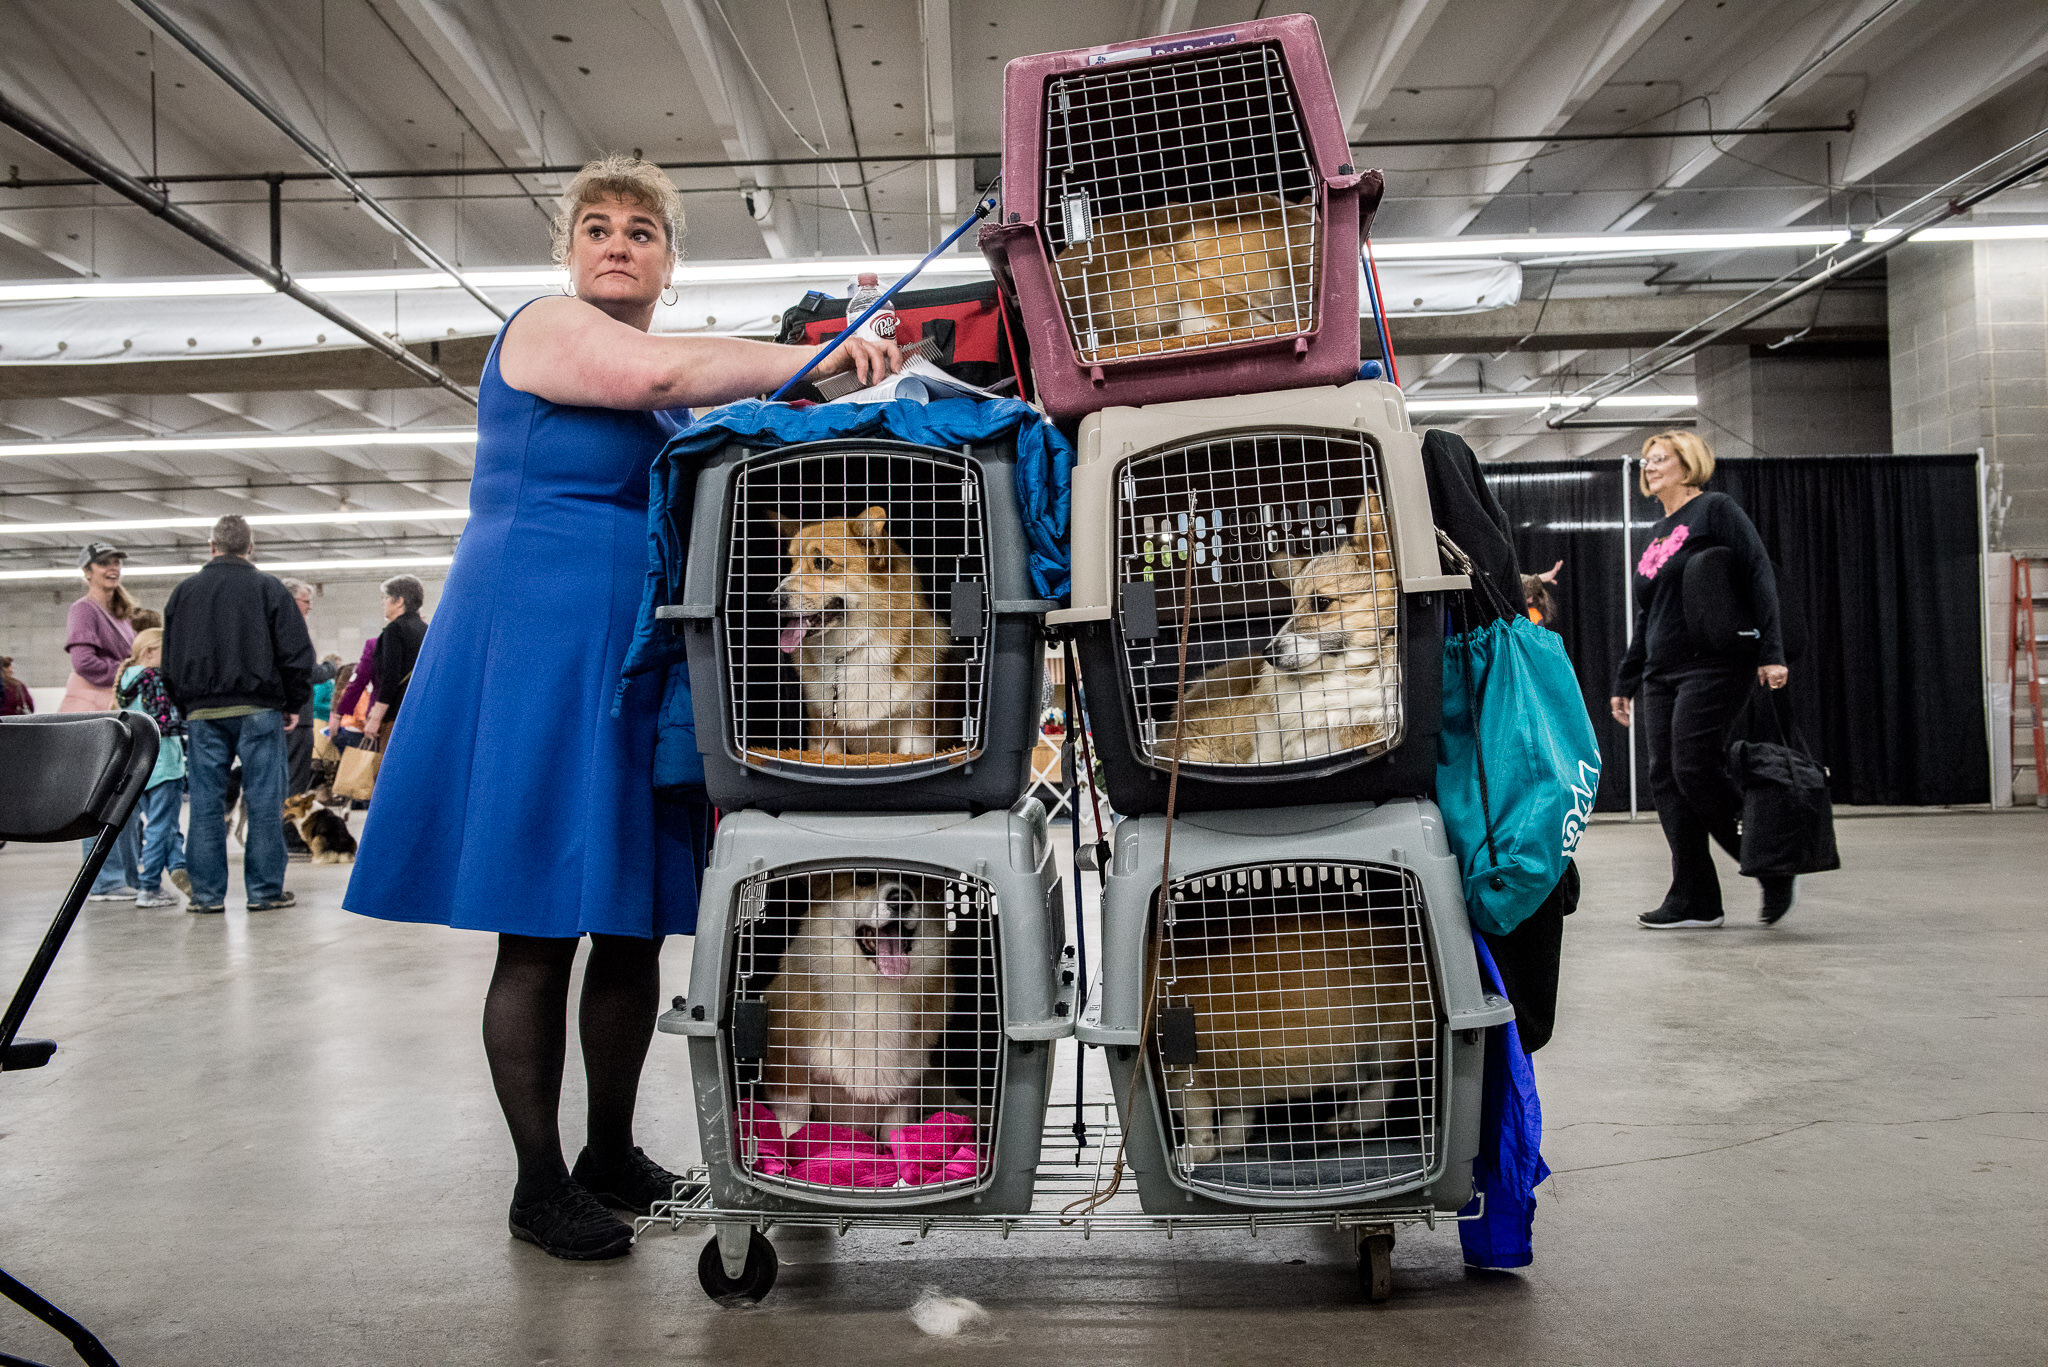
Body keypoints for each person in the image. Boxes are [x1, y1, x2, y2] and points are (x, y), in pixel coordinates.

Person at [344, 153, 902, 1261]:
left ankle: (608, 1149)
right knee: (541, 923)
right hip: (536, 641)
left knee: (630, 920)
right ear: (568, 250)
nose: (615, 242)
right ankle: (536, 1180)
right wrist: (817, 355)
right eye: (595, 225)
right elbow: (656, 379)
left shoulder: (659, 372)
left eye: (639, 231)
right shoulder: (545, 328)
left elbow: (696, 405)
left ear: (666, 259)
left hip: (632, 648)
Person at [1609, 431, 1792, 930]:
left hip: (1712, 664)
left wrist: (1771, 651)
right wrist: (1626, 680)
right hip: (1660, 672)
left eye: (1660, 458)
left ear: (1688, 464)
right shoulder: (1658, 530)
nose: (1649, 467)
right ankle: (1695, 896)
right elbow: (1649, 613)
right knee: (1665, 779)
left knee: (1693, 768)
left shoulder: (1715, 509)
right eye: (1646, 461)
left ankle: (1768, 856)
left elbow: (1758, 573)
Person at [162, 515, 316, 915]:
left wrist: (186, 706)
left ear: (211, 546)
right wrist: (292, 703)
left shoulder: (184, 593)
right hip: (259, 709)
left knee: (206, 805)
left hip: (202, 714)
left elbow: (169, 660)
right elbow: (297, 654)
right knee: (264, 801)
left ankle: (207, 896)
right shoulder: (269, 589)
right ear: (251, 547)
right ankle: (265, 892)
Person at [113, 628, 190, 909]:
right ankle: (150, 888)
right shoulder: (154, 678)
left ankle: (179, 867)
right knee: (161, 827)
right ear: (149, 652)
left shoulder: (126, 679)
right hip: (165, 762)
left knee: (159, 826)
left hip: (138, 766)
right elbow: (164, 722)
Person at [279, 579, 339, 797]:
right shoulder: (293, 631)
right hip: (297, 716)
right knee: (295, 782)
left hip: (276, 715)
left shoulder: (266, 630)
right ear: (292, 601)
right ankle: (289, 829)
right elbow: (306, 672)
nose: (309, 607)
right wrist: (330, 668)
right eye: (306, 601)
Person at [359, 576, 427, 746]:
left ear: (399, 601)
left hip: (396, 714)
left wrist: (375, 718)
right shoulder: (426, 629)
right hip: (421, 713)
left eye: (386, 598)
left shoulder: (394, 629)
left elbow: (390, 676)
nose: (383, 603)